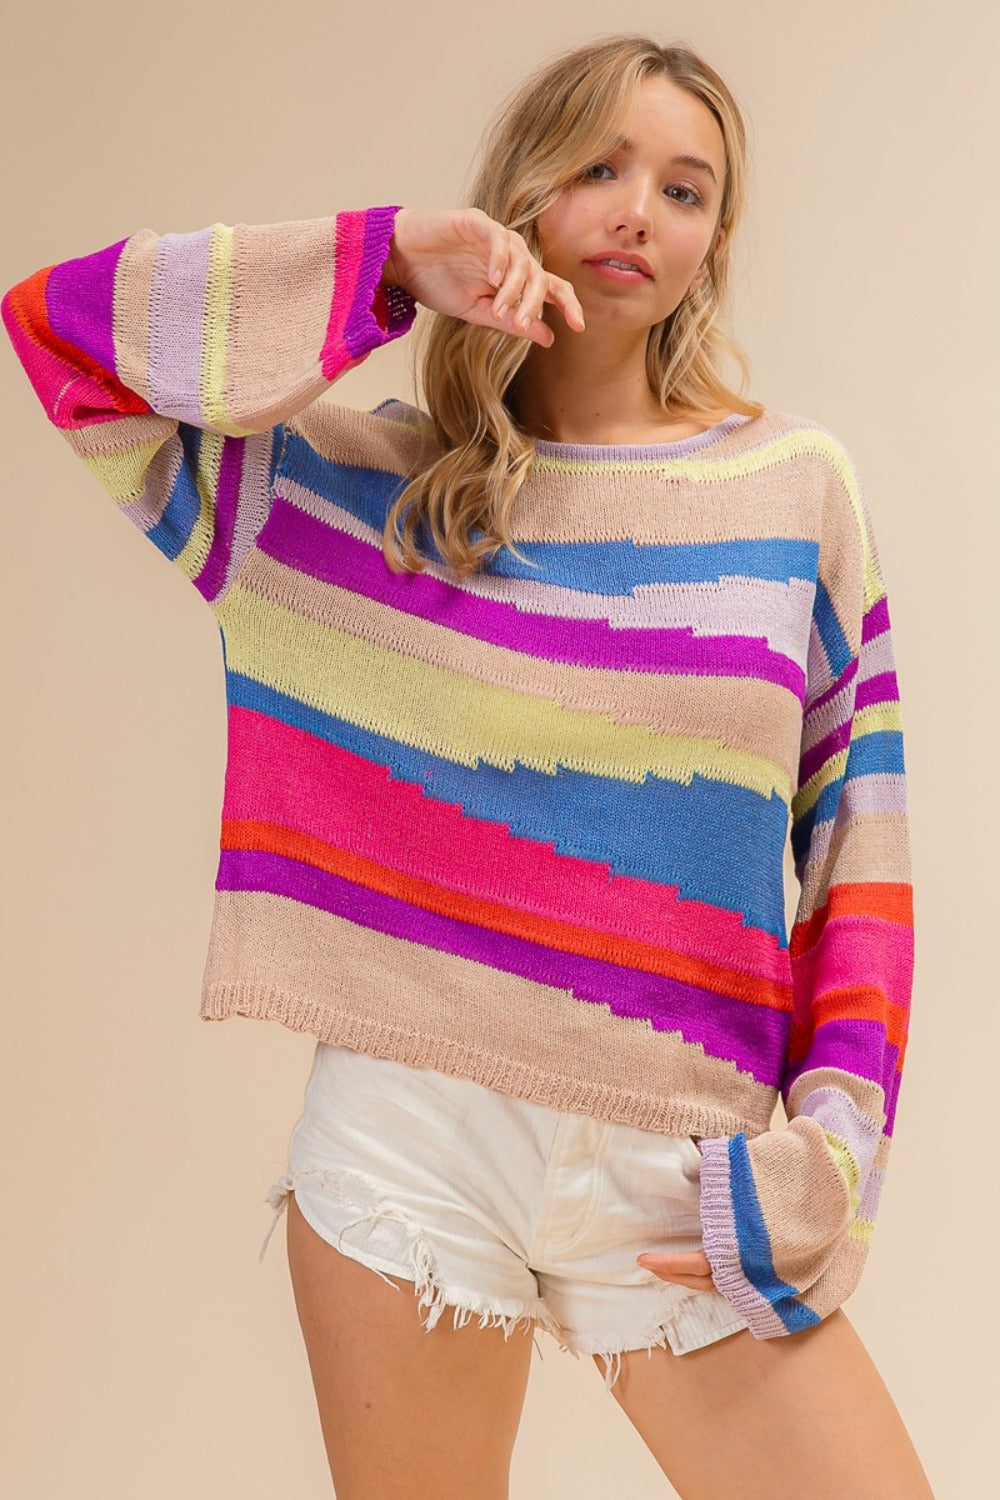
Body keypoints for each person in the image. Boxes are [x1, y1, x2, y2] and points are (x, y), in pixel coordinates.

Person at [2, 30, 933, 1500]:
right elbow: (61, 333)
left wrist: (835, 1159)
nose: (641, 211)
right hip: (410, 1140)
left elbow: (859, 848)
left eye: (688, 190)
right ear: (522, 199)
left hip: (680, 1159)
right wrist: (383, 265)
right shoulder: (349, 495)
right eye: (602, 168)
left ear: (713, 244)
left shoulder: (792, 491)